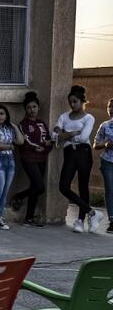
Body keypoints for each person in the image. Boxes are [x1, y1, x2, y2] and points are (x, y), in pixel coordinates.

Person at [54, 84, 100, 233]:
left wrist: (64, 134)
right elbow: (54, 135)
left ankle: (80, 220)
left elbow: (84, 137)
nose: (72, 104)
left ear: (82, 101)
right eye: (70, 102)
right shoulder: (63, 117)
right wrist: (72, 133)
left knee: (82, 186)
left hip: (84, 152)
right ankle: (92, 213)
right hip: (69, 153)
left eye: (75, 101)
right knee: (63, 186)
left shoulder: (89, 118)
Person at [10, 92, 53, 227]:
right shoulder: (23, 124)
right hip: (28, 158)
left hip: (42, 158)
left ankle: (28, 218)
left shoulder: (42, 124)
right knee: (39, 187)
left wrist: (45, 148)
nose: (32, 110)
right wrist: (39, 147)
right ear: (25, 109)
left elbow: (49, 141)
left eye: (34, 107)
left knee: (35, 187)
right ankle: (19, 196)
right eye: (29, 107)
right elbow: (25, 141)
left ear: (38, 108)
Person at [93, 97, 113, 234]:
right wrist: (105, 145)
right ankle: (112, 220)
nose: (111, 110)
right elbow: (95, 145)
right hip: (107, 162)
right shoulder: (105, 125)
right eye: (109, 107)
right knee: (110, 191)